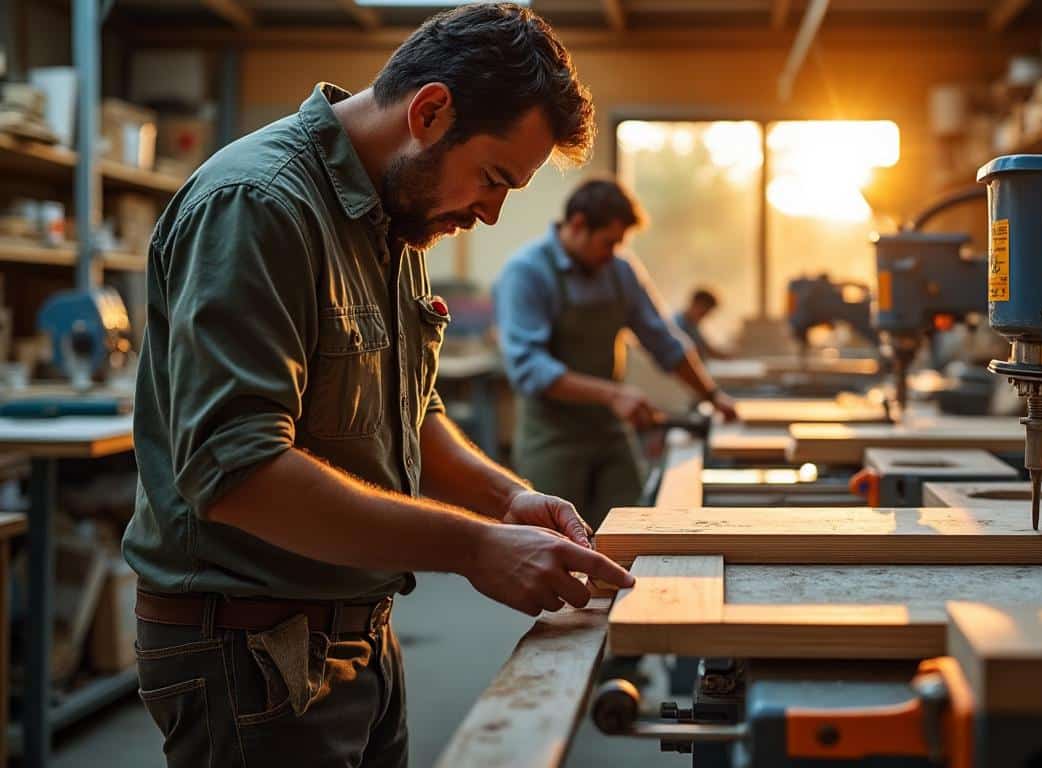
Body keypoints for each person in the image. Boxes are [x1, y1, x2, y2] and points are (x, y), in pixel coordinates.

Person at [122, 6, 633, 766]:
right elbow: (237, 472)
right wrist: (476, 548)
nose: (490, 215)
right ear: (429, 111)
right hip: (251, 648)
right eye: (492, 179)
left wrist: (505, 501)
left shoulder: (393, 220)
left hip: (354, 631)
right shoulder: (258, 205)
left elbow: (405, 410)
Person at [493, 179, 738, 527]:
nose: (613, 252)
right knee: (553, 543)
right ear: (578, 225)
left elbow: (664, 342)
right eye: (608, 242)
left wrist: (712, 396)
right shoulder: (527, 273)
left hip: (608, 432)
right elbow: (529, 369)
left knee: (630, 530)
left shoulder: (619, 271)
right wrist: (612, 393)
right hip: (552, 439)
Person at [674, 287, 731, 360]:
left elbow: (707, 348)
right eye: (703, 313)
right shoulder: (678, 324)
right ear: (695, 303)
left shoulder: (692, 325)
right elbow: (707, 351)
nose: (704, 317)